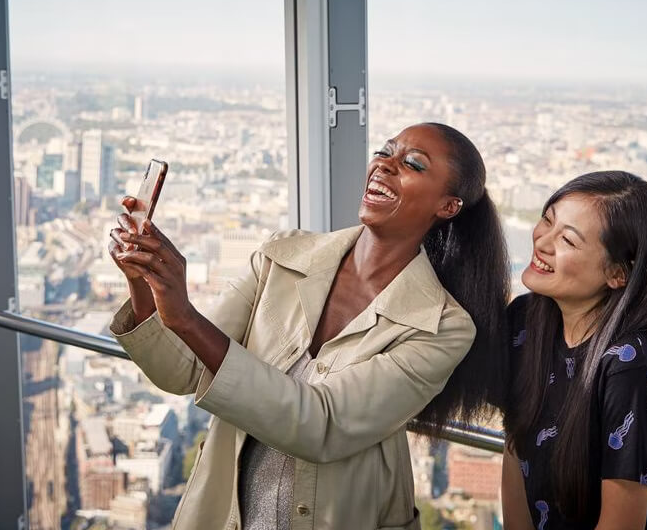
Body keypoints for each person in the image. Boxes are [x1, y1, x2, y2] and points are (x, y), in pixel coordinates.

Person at [107, 122, 509, 529]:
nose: (384, 165)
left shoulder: (442, 326)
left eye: (412, 164)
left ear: (448, 206)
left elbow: (322, 426)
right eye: (384, 152)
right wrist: (145, 285)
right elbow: (184, 372)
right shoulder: (280, 256)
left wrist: (187, 318)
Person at [499, 171, 647, 530]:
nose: (542, 242)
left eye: (567, 239)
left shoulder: (630, 366)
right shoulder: (525, 320)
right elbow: (515, 445)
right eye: (547, 221)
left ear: (617, 273)